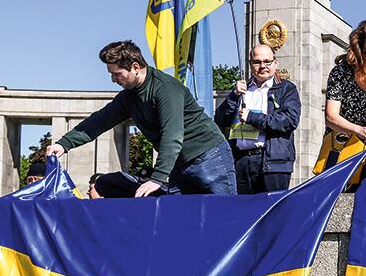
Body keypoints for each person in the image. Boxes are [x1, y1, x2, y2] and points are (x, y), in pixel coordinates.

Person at [46, 40, 236, 196]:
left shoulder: (166, 89)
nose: (113, 80)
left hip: (210, 158)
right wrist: (64, 144)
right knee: (185, 219)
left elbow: (172, 135)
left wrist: (157, 178)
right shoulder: (129, 96)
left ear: (135, 67)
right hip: (179, 163)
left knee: (225, 216)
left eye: (117, 74)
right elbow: (100, 120)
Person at [214, 44, 301, 193]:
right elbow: (219, 120)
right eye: (257, 62)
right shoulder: (241, 89)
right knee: (242, 212)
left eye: (267, 61)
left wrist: (252, 117)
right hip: (240, 162)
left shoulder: (287, 89)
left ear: (275, 63)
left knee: (272, 212)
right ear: (250, 64)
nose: (263, 66)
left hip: (273, 164)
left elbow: (289, 120)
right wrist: (233, 95)